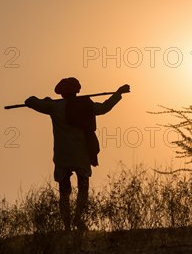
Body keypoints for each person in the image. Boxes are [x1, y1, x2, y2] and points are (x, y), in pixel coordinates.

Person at [25, 77, 130, 231]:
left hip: (63, 156)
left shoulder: (54, 106)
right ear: (77, 91)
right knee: (83, 188)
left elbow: (30, 101)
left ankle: (67, 225)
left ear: (61, 93)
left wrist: (45, 100)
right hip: (81, 155)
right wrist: (117, 94)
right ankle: (77, 218)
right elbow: (105, 108)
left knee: (64, 192)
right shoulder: (85, 105)